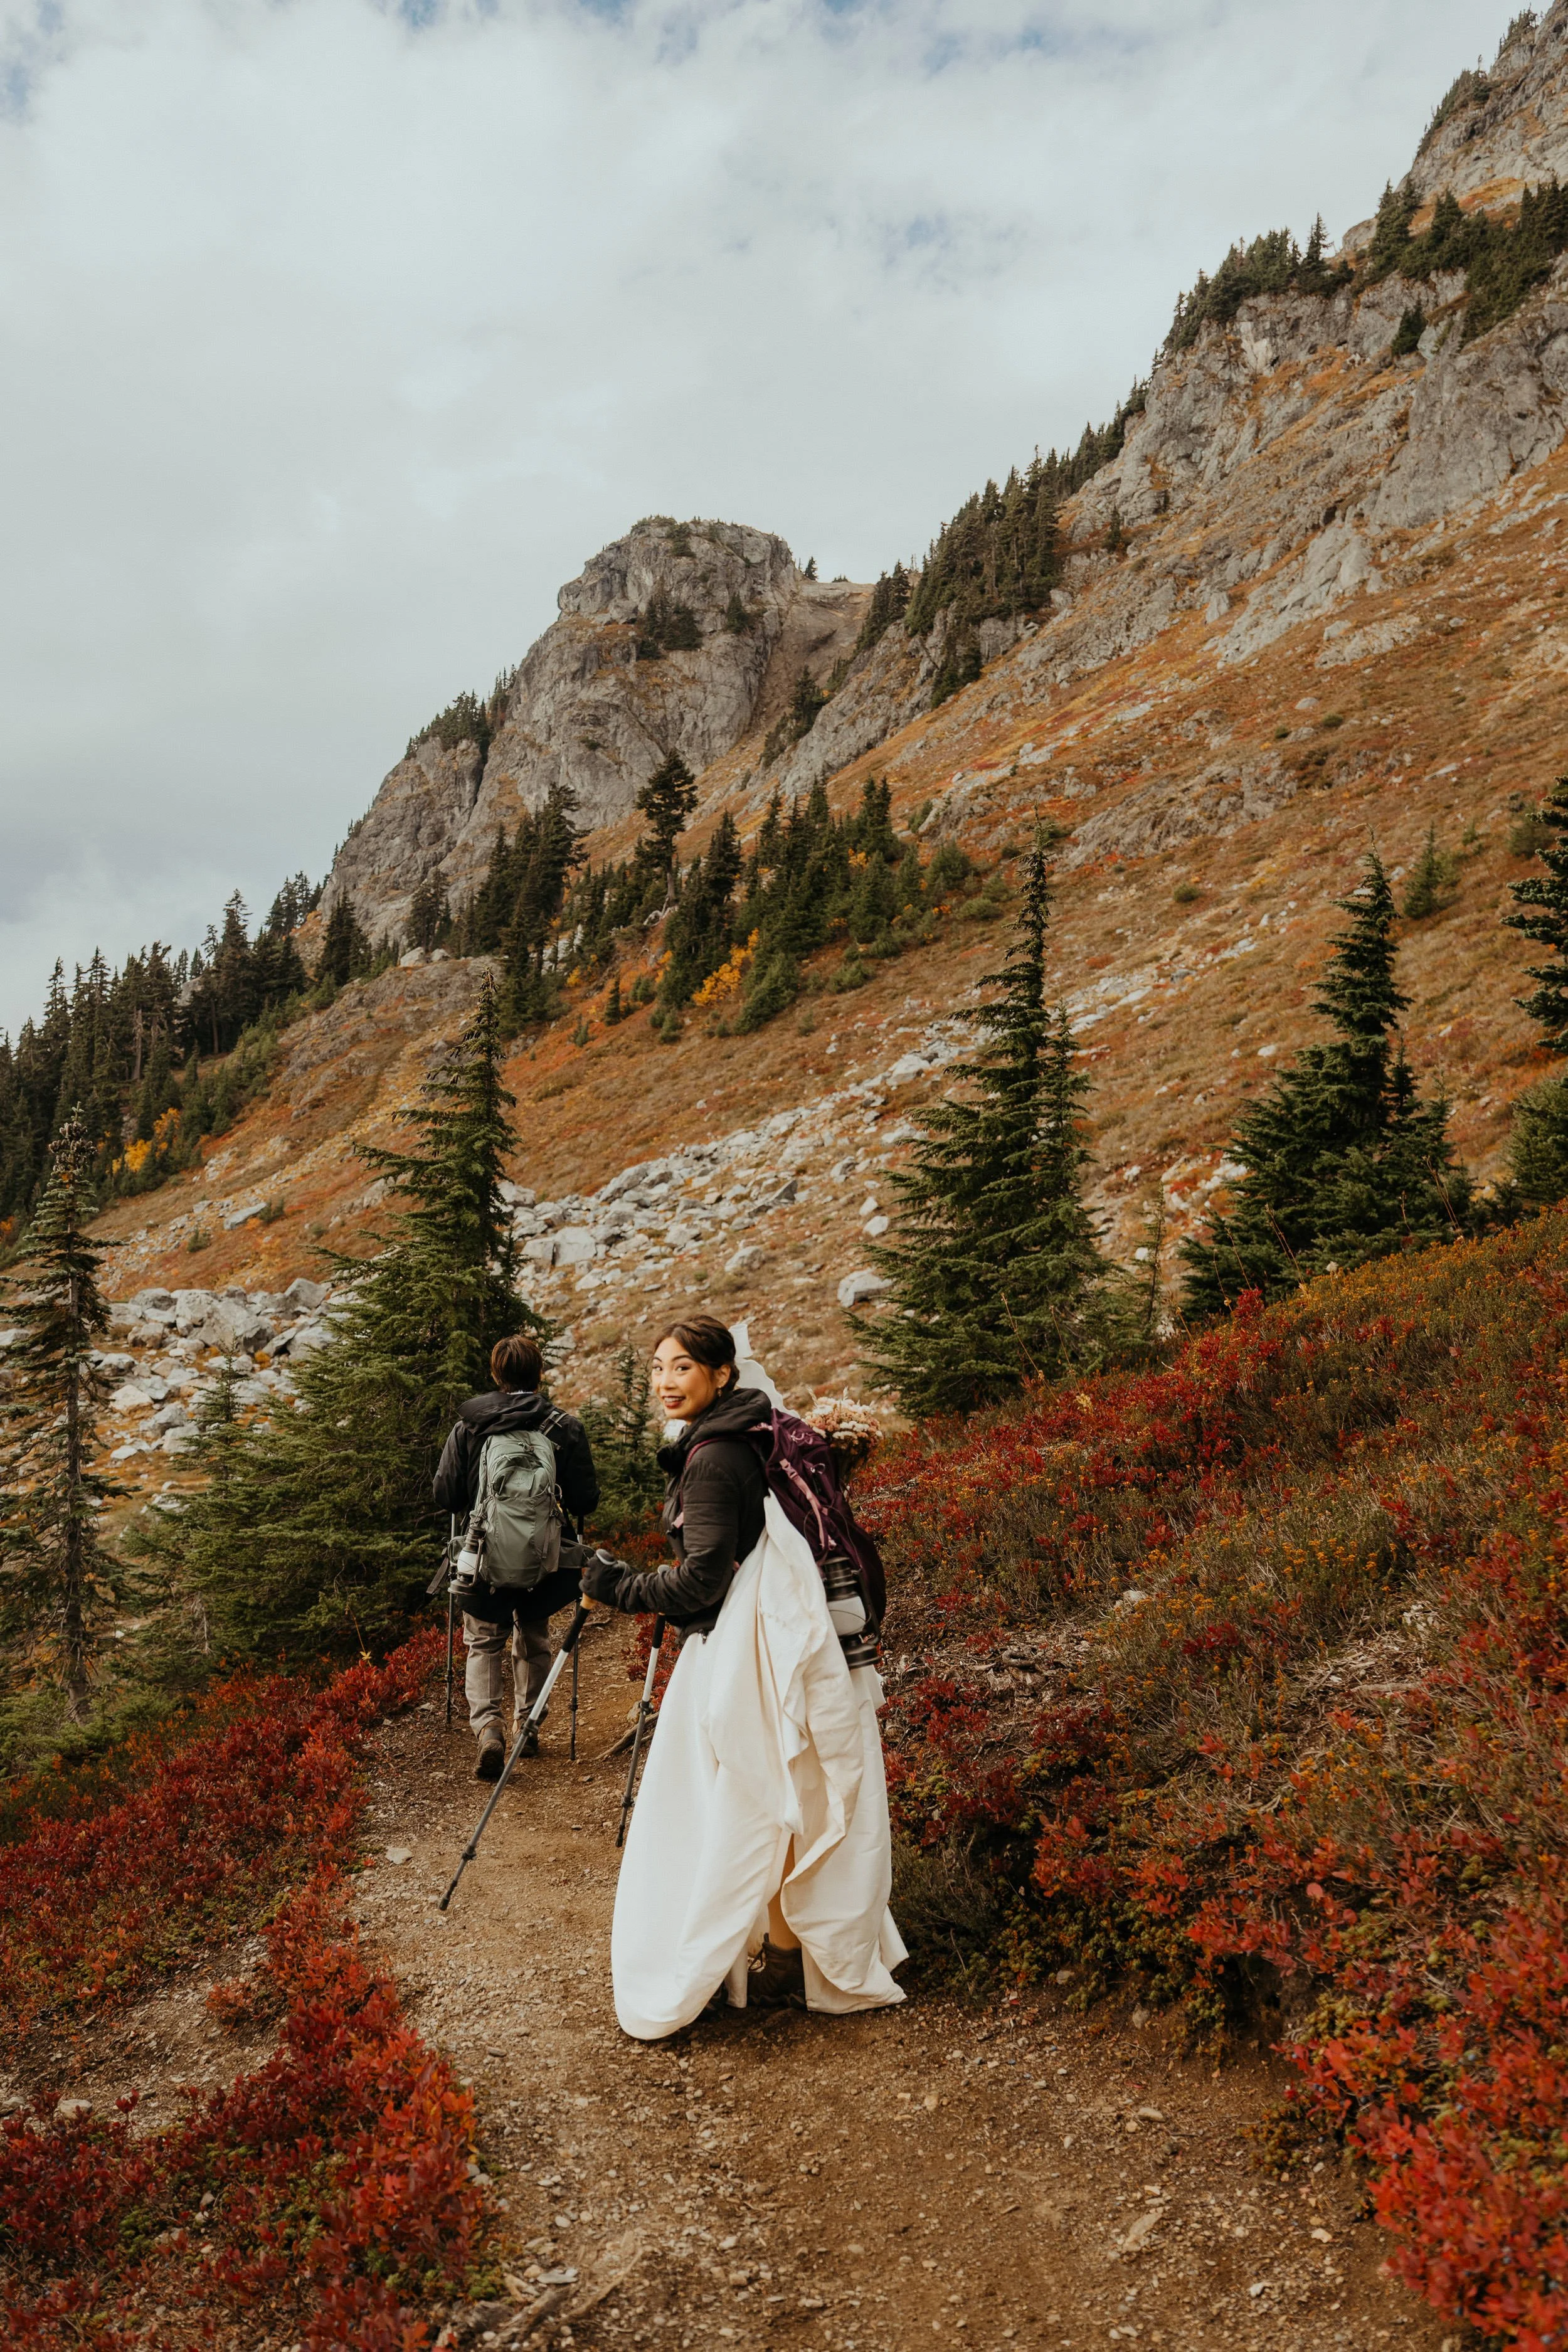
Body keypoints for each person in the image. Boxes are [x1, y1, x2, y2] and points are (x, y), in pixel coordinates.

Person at [581, 1313, 906, 2038]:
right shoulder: (764, 1429)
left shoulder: (712, 1458)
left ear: (722, 1375)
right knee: (786, 1797)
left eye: (683, 1369)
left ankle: (710, 1960)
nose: (665, 1383)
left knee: (733, 1806)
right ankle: (790, 1953)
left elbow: (700, 1582)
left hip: (743, 1655)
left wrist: (614, 1587)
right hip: (790, 1648)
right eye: (658, 1368)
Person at [433, 1332, 599, 1781]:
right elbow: (585, 1501)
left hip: (482, 1555)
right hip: (543, 1560)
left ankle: (489, 1728)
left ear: (496, 1375)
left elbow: (447, 1494)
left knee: (483, 1640)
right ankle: (529, 1724)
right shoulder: (563, 1427)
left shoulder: (470, 1425)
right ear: (538, 1374)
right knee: (534, 1637)